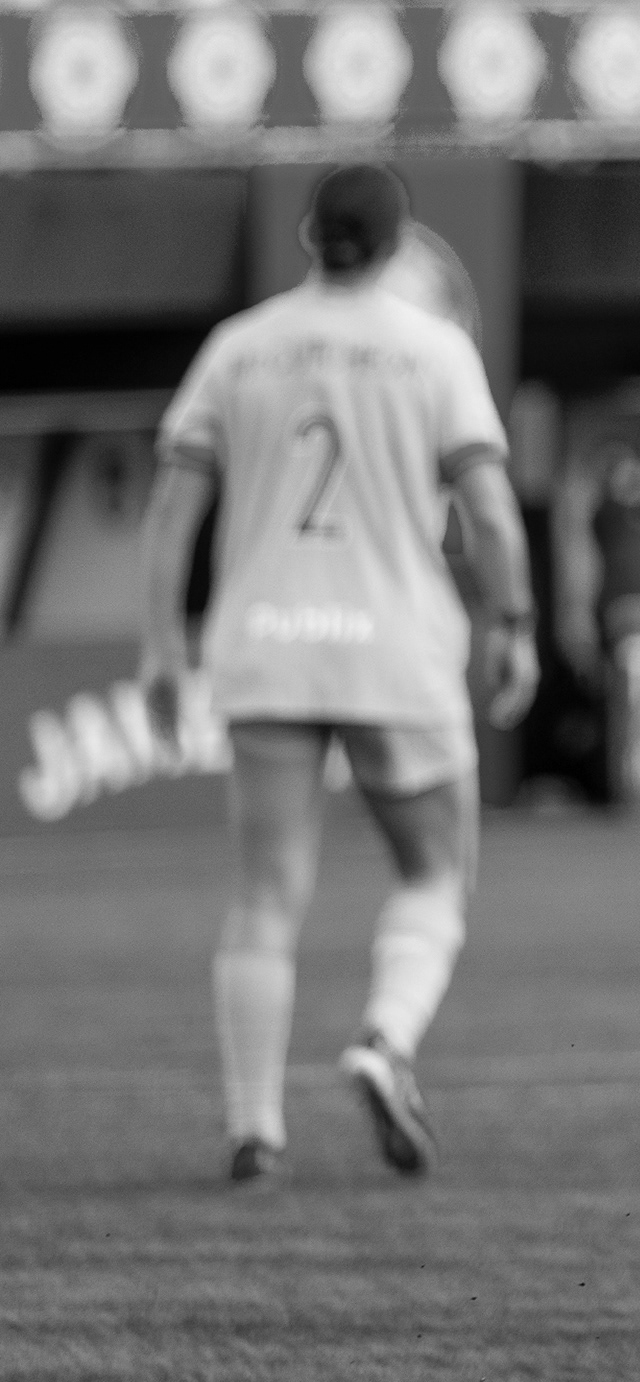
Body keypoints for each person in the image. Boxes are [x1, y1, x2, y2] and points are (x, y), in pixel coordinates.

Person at [139, 166, 539, 1184]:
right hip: (394, 648)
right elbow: (491, 514)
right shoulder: (435, 349)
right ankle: (384, 1039)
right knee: (435, 874)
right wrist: (514, 625)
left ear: (309, 237)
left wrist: (162, 644)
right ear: (399, 244)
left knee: (263, 897)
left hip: (267, 642)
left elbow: (173, 513)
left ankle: (254, 1130)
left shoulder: (239, 346)